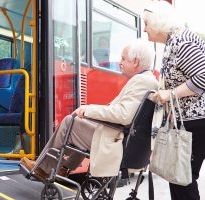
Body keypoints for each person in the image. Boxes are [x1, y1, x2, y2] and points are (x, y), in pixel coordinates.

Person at [20, 39, 158, 180]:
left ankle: (43, 168)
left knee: (70, 122)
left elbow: (123, 115)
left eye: (123, 59)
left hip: (117, 142)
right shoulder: (149, 80)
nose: (119, 62)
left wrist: (89, 109)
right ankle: (63, 169)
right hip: (124, 139)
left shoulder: (141, 81)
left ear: (135, 61)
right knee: (83, 123)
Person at [143, 1, 205, 200]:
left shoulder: (182, 41)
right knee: (178, 176)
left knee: (182, 177)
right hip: (188, 120)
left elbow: (203, 76)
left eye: (146, 24)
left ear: (158, 23)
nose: (144, 29)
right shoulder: (173, 42)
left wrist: (171, 94)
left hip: (197, 120)